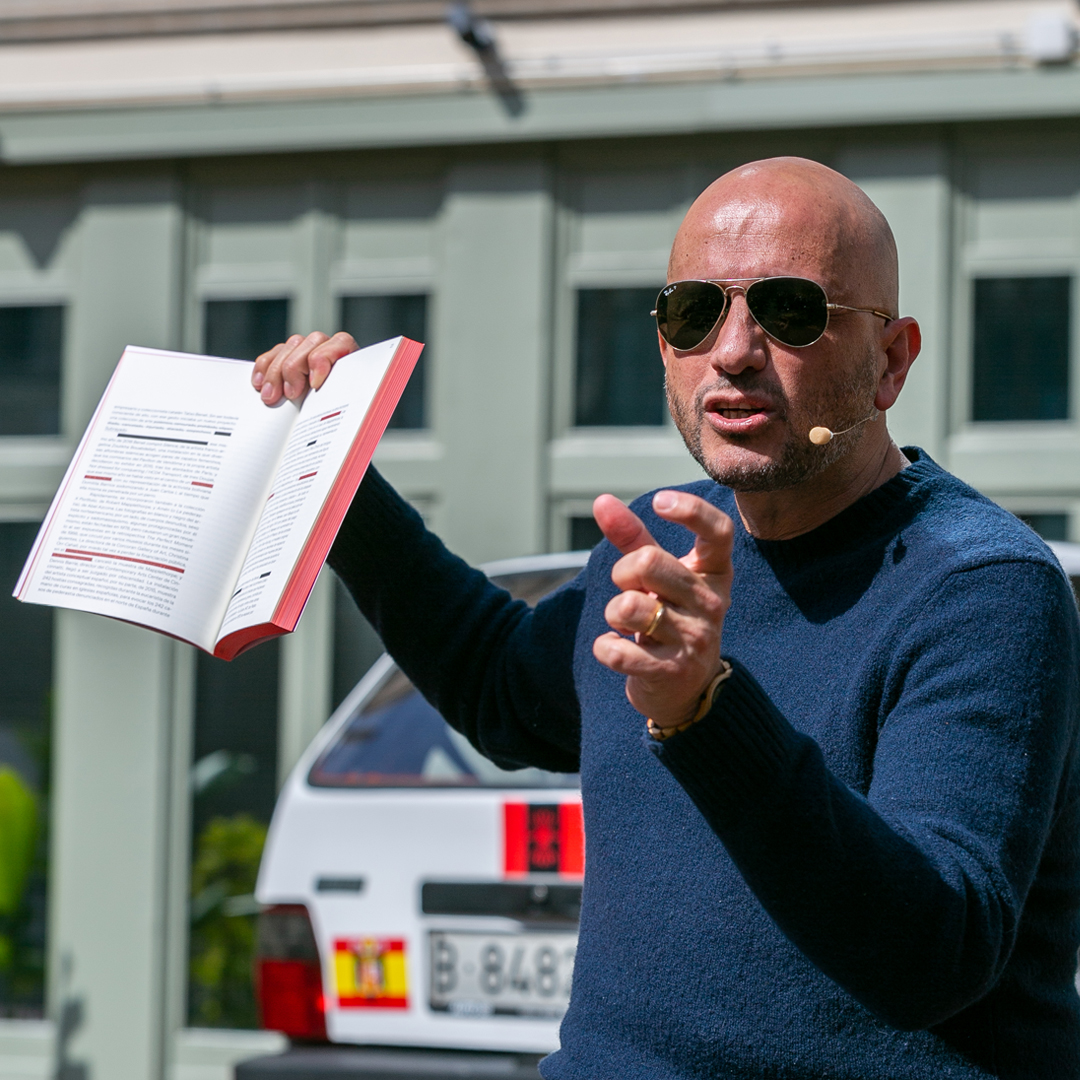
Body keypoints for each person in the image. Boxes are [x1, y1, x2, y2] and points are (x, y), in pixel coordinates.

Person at [253, 158, 1080, 1079]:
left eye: (790, 310)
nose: (732, 350)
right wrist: (338, 482)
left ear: (891, 360)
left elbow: (934, 954)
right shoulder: (654, 539)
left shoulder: (981, 587)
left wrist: (705, 714)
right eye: (694, 312)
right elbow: (500, 686)